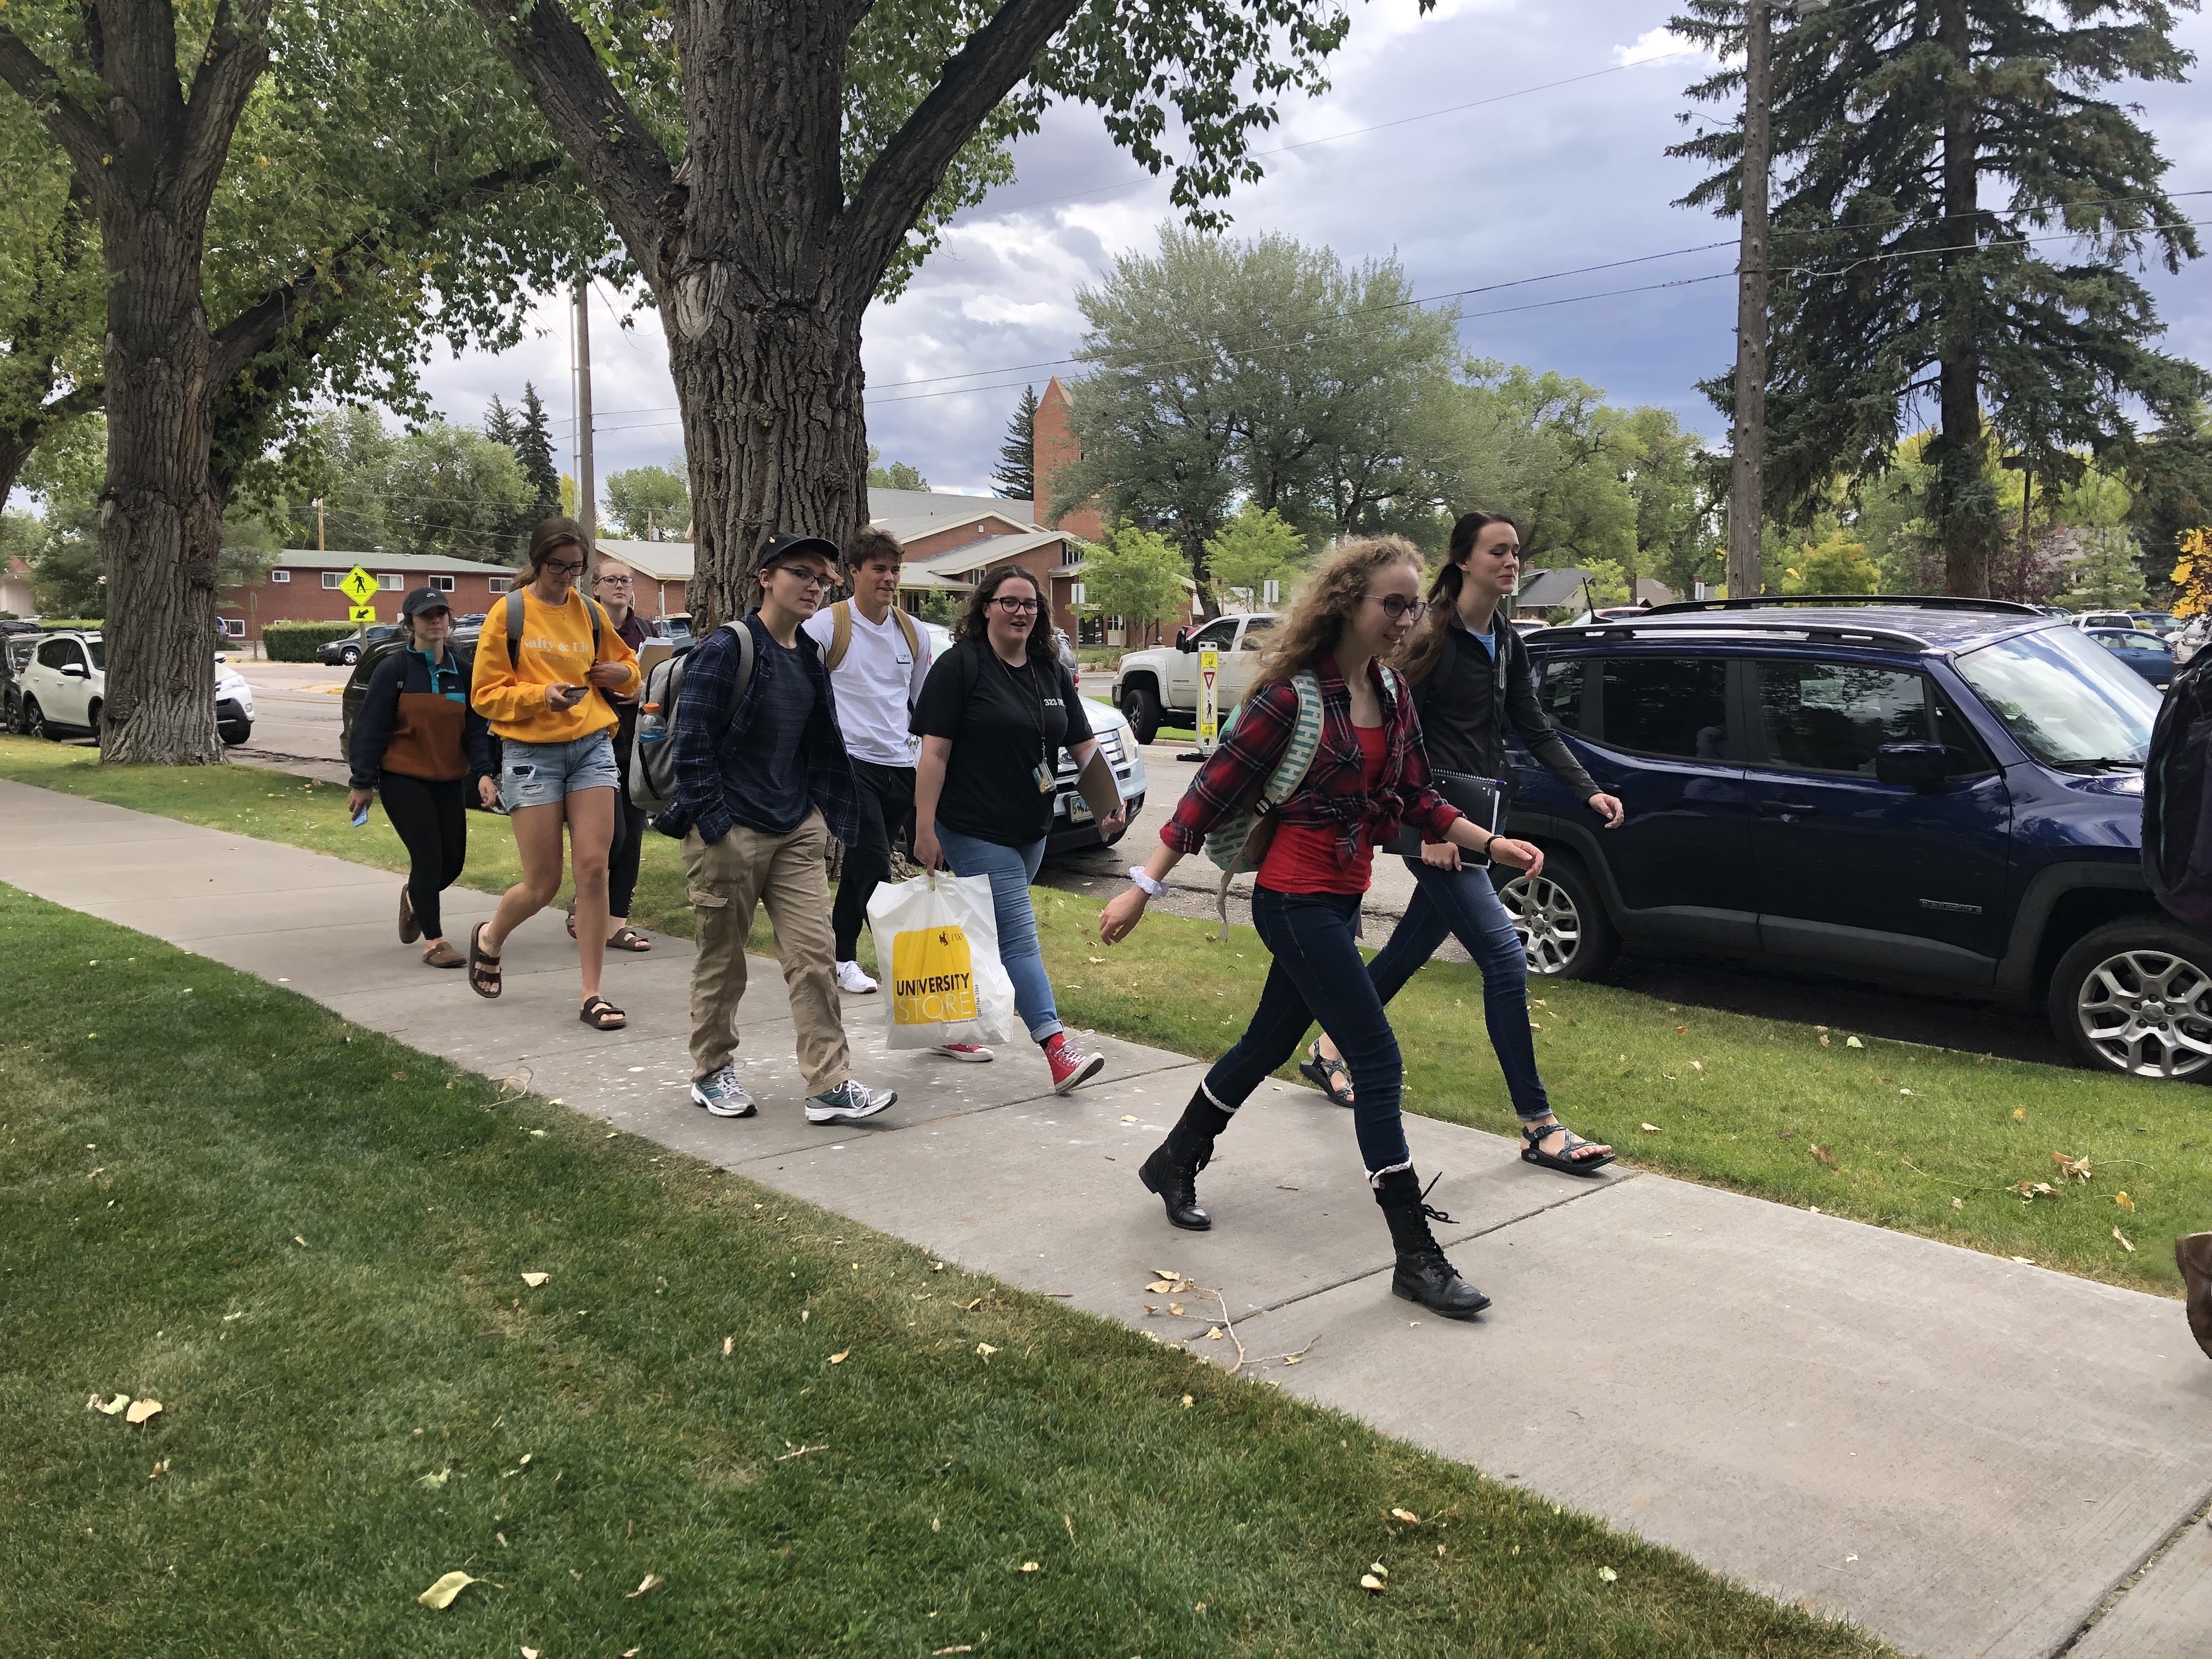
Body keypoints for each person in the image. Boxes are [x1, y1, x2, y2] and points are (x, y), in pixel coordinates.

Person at [1099, 535, 1546, 1321]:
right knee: (1376, 1056)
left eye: (1413, 604)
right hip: (1292, 899)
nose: (1408, 618)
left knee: (1268, 1044)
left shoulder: (1394, 694)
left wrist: (1488, 842)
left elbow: (1417, 796)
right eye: (1394, 604)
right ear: (1349, 604)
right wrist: (1144, 886)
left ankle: (1173, 1159)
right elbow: (1207, 794)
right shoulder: (1290, 697)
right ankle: (1414, 1253)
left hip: (1340, 898)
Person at [1304, 510, 1626, 1177]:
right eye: (1498, 552)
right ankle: (1539, 1126)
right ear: (1463, 561)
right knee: (1506, 960)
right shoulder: (1430, 635)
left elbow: (1534, 727)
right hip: (1437, 826)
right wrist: (1429, 829)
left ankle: (1328, 1047)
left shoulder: (1507, 641)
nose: (1512, 563)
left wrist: (1587, 789)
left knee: (1409, 948)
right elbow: (1397, 728)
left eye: (1516, 553)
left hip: (1479, 822)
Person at [661, 532, 896, 1126]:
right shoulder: (728, 648)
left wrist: (817, 817)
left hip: (796, 831)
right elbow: (690, 747)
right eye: (801, 573)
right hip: (730, 832)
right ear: (766, 577)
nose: (814, 585)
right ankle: (711, 1071)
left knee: (815, 959)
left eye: (822, 578)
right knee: (724, 961)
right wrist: (717, 828)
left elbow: (819, 746)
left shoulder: (809, 655)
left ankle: (830, 1084)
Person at [912, 565, 1119, 1092]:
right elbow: (933, 753)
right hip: (970, 825)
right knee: (1019, 937)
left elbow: (1082, 743)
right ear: (986, 608)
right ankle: (1057, 1048)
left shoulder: (1047, 670)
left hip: (1032, 824)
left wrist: (1107, 802)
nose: (1021, 612)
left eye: (1030, 604)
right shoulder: (959, 668)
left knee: (984, 929)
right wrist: (924, 827)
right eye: (1010, 602)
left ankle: (944, 1022)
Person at [466, 518, 642, 1030]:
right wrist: (537, 695)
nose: (567, 577)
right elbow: (484, 695)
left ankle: (593, 994)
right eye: (558, 566)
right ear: (537, 562)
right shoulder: (510, 612)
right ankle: (491, 937)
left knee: (593, 868)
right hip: (530, 752)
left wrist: (622, 675)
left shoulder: (588, 612)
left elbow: (628, 664)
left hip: (590, 747)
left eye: (576, 568)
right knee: (542, 884)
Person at [799, 527, 933, 1000]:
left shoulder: (912, 632)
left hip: (901, 763)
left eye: (895, 570)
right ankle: (845, 958)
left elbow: (922, 701)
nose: (889, 578)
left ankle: (843, 952)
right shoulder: (825, 627)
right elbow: (803, 697)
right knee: (874, 858)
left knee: (865, 865)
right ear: (853, 572)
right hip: (851, 762)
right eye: (879, 569)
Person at [346, 586, 497, 968]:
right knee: (428, 857)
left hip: (448, 778)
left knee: (454, 862)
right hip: (403, 777)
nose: (435, 621)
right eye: (426, 615)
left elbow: (476, 730)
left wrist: (483, 773)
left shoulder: (462, 672)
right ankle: (435, 942)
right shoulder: (393, 670)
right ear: (409, 622)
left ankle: (414, 897)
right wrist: (362, 782)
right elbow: (371, 729)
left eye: (442, 614)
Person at [564, 560, 653, 953]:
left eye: (626, 580)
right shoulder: (583, 627)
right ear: (595, 588)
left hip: (638, 743)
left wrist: (642, 689)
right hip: (593, 742)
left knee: (633, 833)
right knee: (610, 835)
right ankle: (585, 906)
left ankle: (615, 924)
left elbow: (661, 677)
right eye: (612, 580)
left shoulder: (646, 631)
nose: (620, 586)